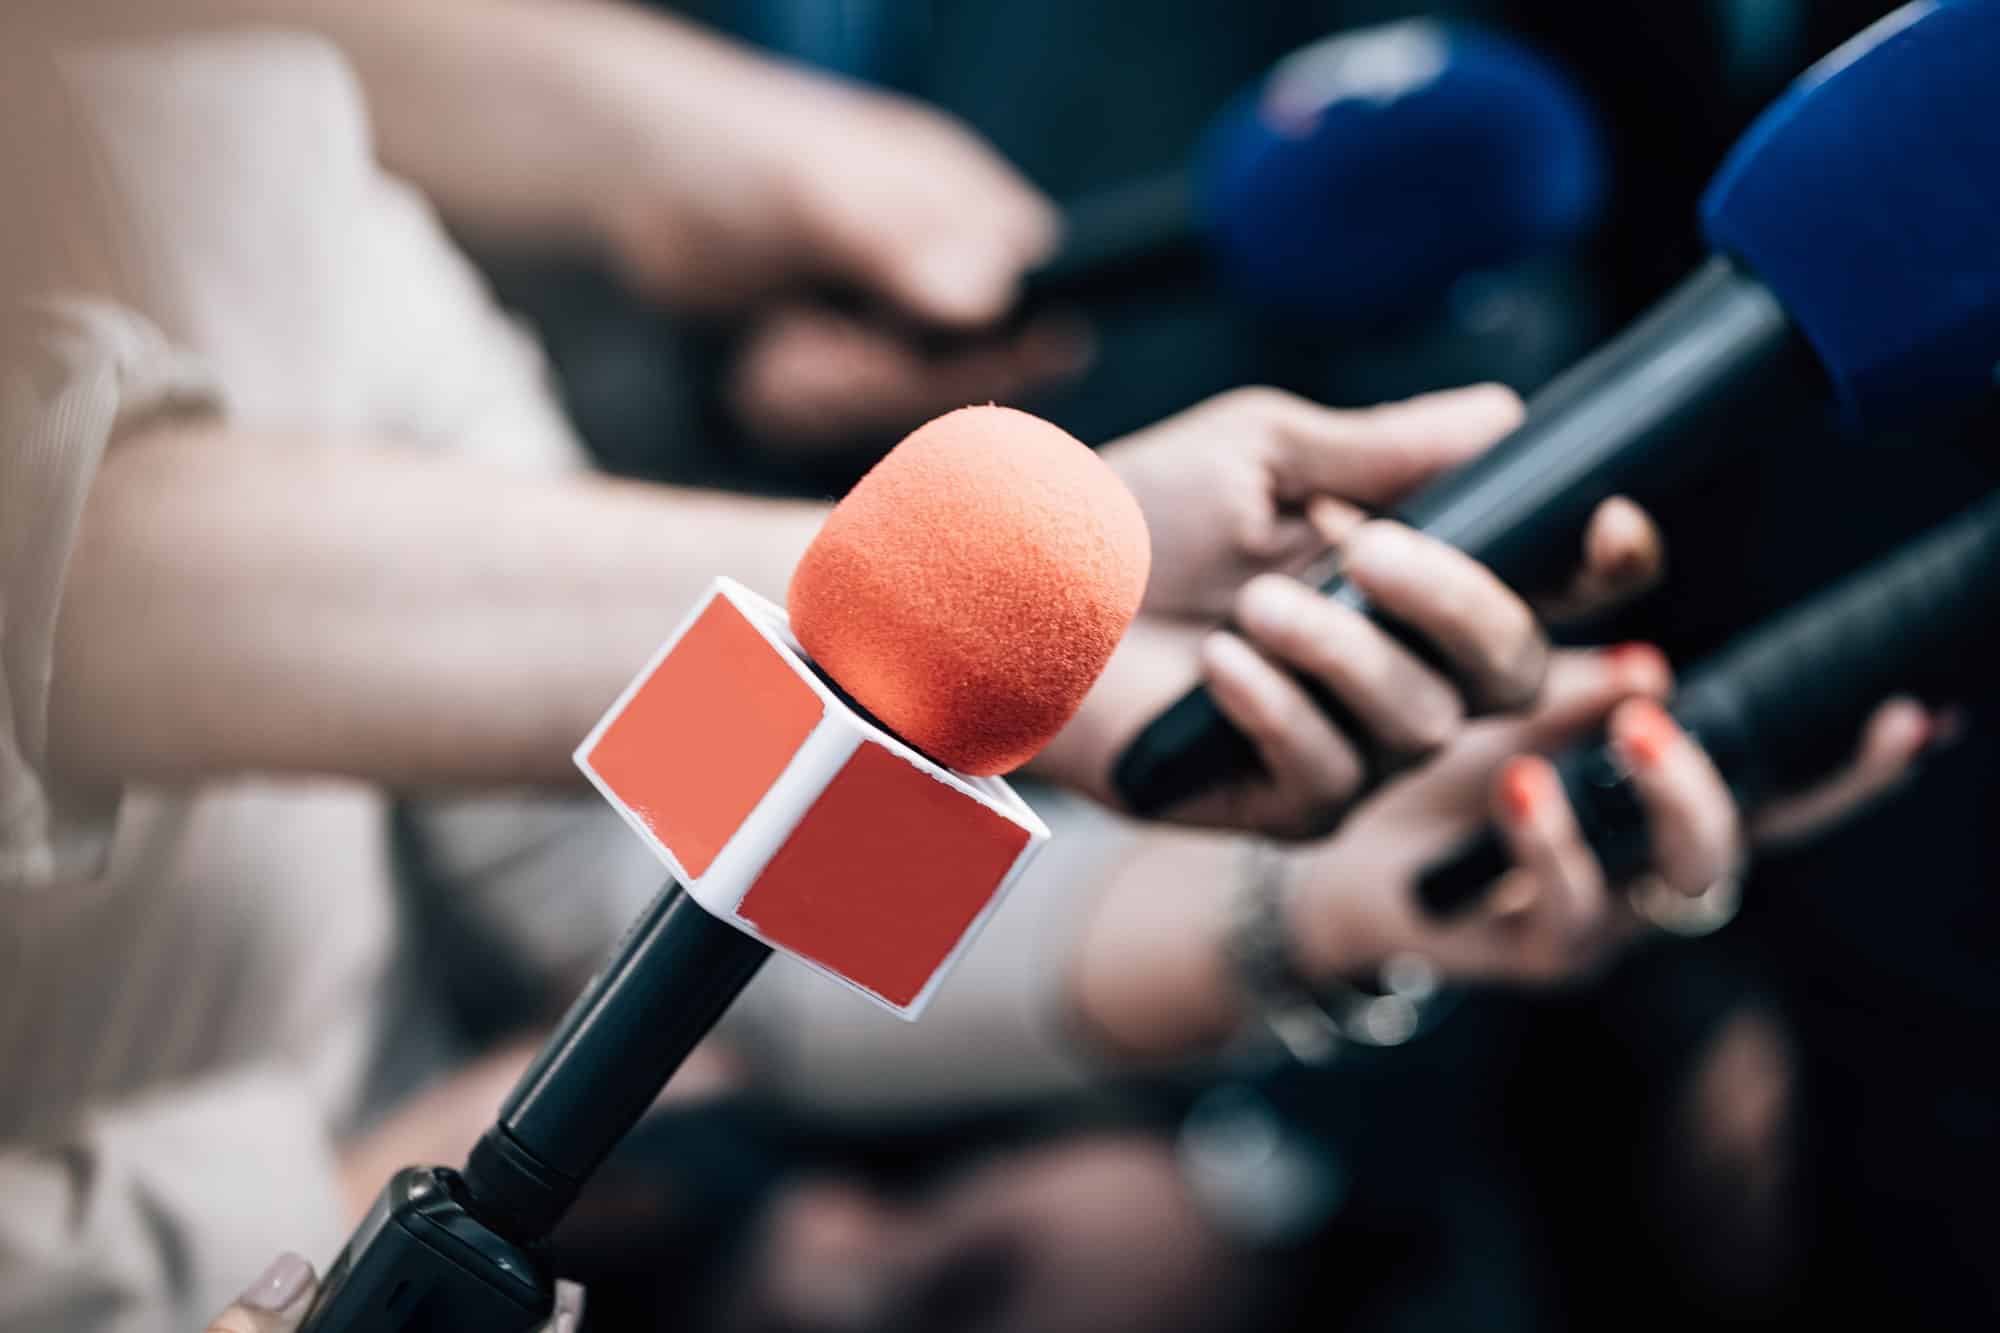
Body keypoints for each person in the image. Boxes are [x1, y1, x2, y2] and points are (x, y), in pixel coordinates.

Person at [0, 12, 1661, 1328]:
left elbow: (655, 853)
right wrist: (1003, 575)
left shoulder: (261, 141)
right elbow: (93, 568)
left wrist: (1300, 909)